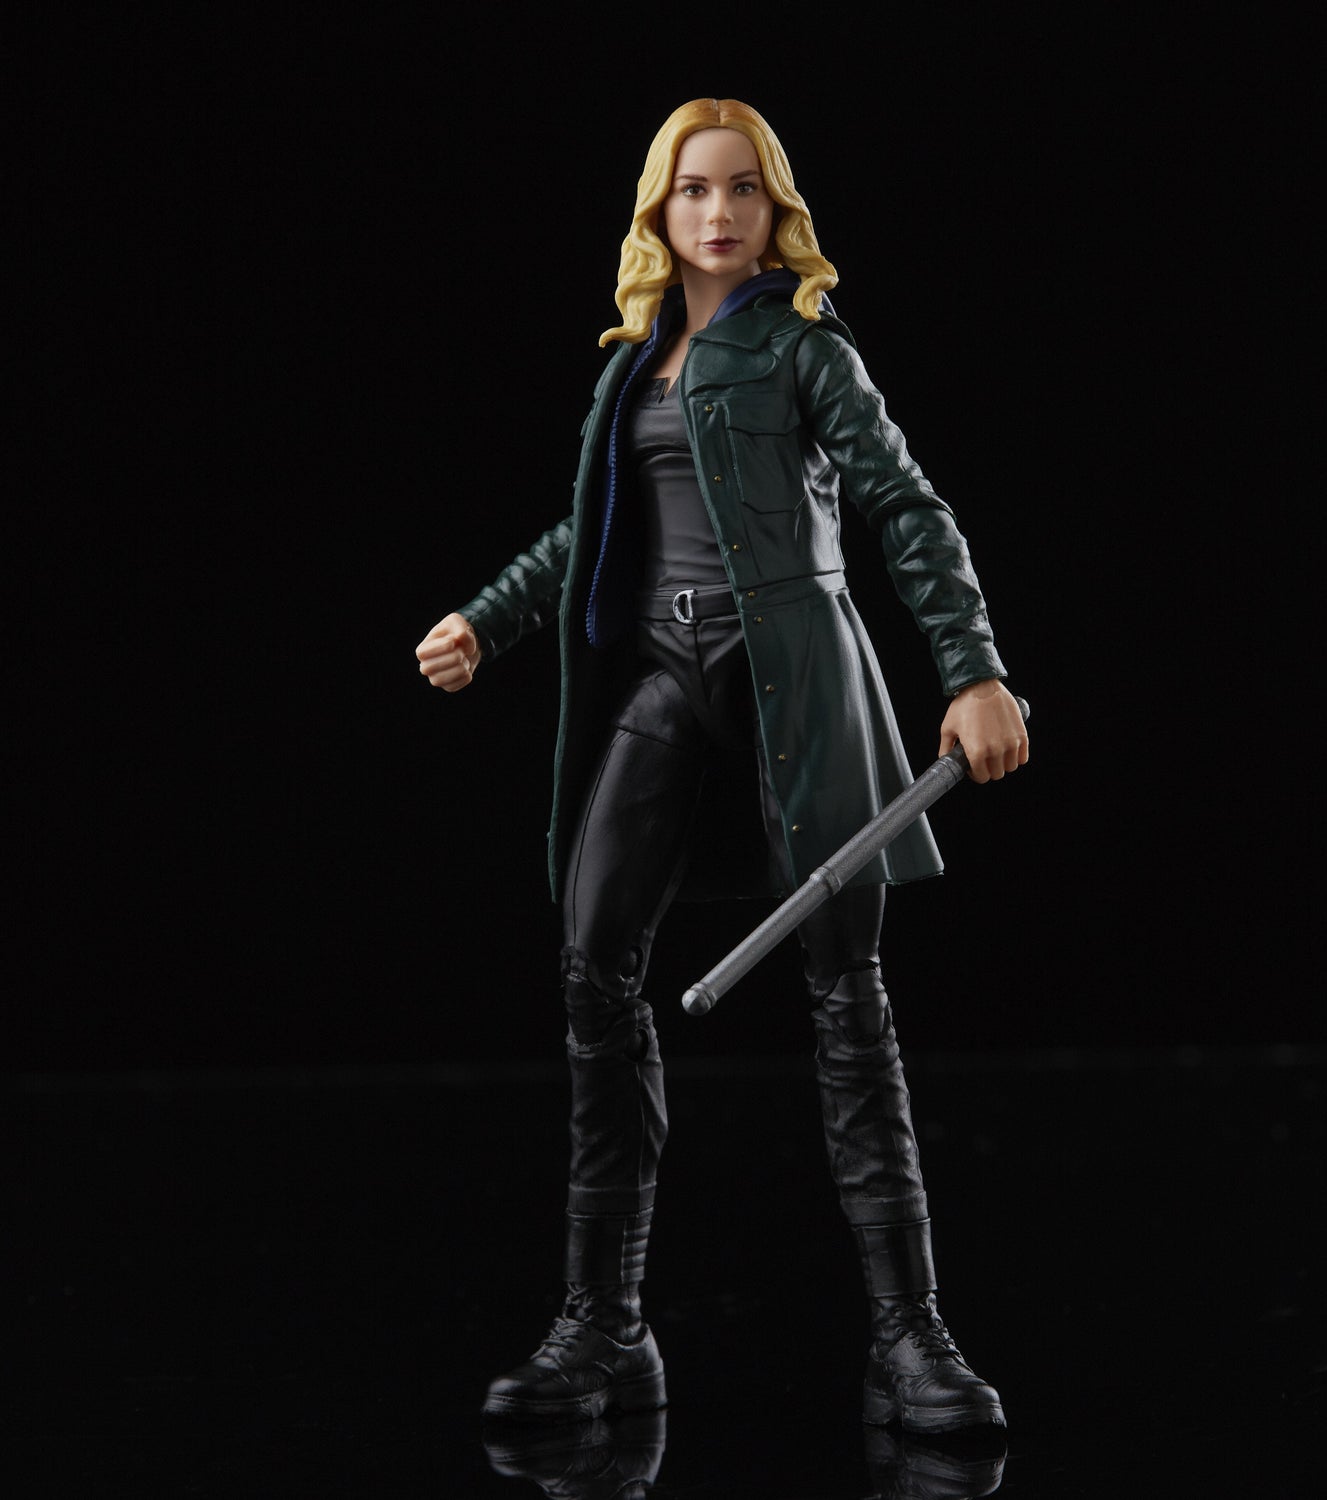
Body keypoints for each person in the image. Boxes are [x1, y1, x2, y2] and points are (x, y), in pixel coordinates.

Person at [415, 98, 1028, 1435]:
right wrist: (488, 618)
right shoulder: (634, 366)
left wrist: (972, 670)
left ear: (774, 208)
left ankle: (911, 1338)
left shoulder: (805, 349)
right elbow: (587, 533)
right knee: (593, 962)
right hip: (662, 675)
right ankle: (605, 1327)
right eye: (694, 188)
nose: (718, 211)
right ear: (659, 207)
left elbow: (904, 505)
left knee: (848, 997)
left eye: (744, 187)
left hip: (792, 672)